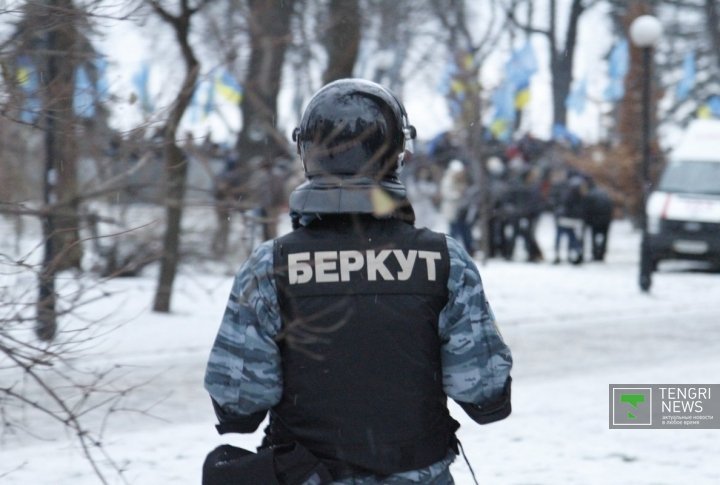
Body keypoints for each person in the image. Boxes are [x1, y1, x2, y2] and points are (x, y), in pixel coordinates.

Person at [203, 78, 513, 485]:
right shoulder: (443, 260)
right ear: (397, 155)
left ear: (307, 153)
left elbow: (237, 403)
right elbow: (486, 394)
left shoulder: (272, 265)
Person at [439, 159, 474, 254]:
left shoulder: (463, 179)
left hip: (462, 210)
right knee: (453, 231)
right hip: (452, 209)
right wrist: (458, 194)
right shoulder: (447, 180)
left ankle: (468, 249)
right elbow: (446, 193)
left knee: (464, 230)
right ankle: (451, 250)